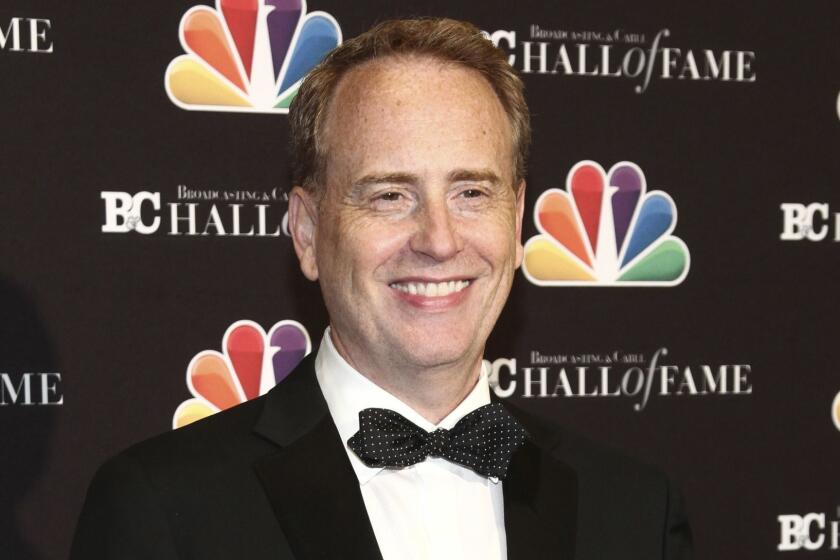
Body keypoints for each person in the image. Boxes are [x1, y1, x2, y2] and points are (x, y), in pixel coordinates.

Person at [70, 18, 692, 560]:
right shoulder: (165, 509)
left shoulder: (633, 509)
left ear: (518, 215)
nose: (440, 240)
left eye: (471, 193)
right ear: (309, 233)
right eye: (390, 195)